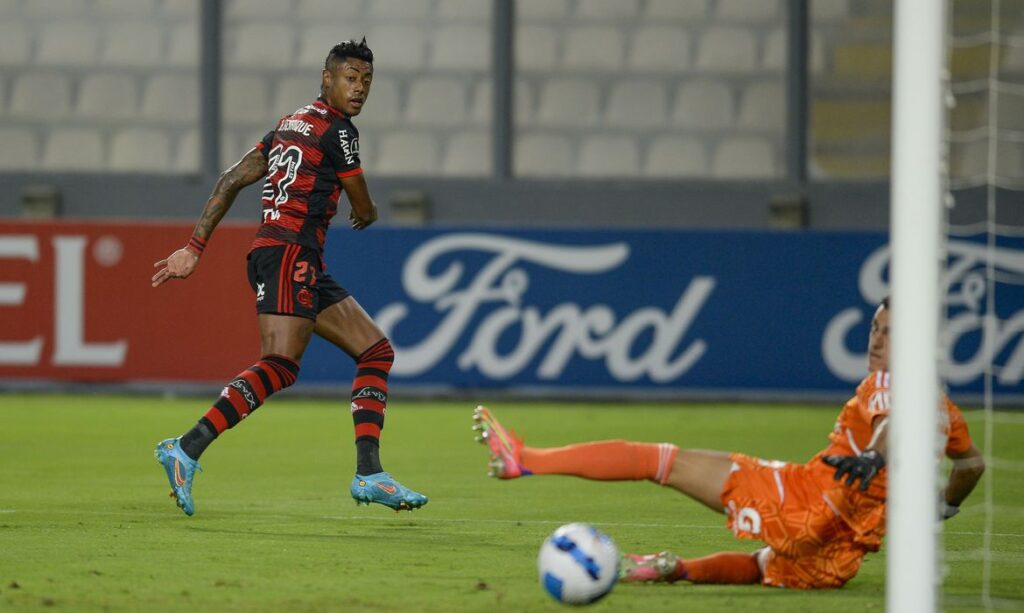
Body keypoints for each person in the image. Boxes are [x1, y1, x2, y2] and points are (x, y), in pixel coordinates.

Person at [473, 298, 984, 589]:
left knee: (661, 461)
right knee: (764, 566)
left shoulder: (890, 383)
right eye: (874, 327)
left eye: (890, 333)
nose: (876, 340)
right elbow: (972, 465)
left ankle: (527, 459)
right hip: (840, 554)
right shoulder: (947, 410)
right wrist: (946, 507)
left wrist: (874, 453)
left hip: (805, 499)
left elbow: (891, 420)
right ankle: (672, 569)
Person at [152, 38, 427, 516]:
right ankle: (186, 447)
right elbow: (361, 203)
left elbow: (231, 178)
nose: (359, 88)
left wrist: (195, 247)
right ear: (327, 78)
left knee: (376, 351)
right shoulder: (339, 131)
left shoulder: (287, 124)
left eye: (366, 81)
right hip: (287, 252)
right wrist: (370, 210)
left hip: (296, 258)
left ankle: (370, 474)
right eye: (350, 77)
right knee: (280, 364)